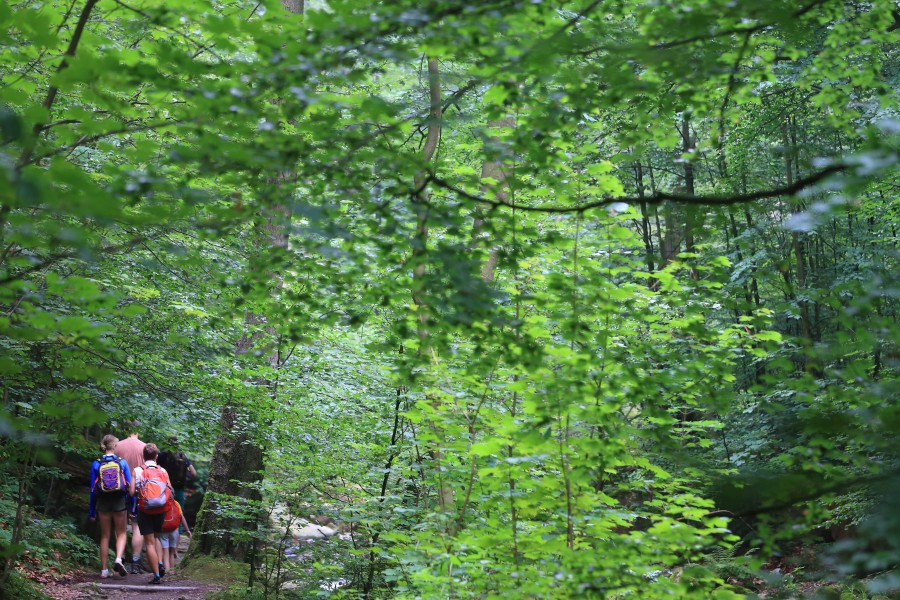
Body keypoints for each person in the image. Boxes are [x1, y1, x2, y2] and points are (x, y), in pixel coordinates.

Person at [88, 434, 134, 579]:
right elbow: (129, 486)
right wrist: (132, 507)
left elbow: (92, 490)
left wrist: (91, 512)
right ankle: (119, 559)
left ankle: (103, 571)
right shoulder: (122, 462)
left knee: (105, 535)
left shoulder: (96, 463)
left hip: (102, 502)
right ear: (114, 446)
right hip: (119, 501)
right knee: (121, 533)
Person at [133, 443, 171, 585]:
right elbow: (170, 490)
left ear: (143, 456)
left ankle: (156, 575)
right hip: (160, 509)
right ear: (156, 456)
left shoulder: (137, 470)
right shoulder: (163, 471)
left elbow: (131, 492)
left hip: (145, 509)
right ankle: (160, 563)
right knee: (157, 537)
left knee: (149, 543)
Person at [115, 421, 147, 574]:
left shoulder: (118, 446)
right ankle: (135, 562)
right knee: (137, 526)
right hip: (139, 491)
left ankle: (119, 558)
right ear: (138, 430)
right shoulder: (145, 446)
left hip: (119, 490)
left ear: (125, 429)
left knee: (120, 527)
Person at [157, 436, 197, 510]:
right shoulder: (182, 457)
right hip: (179, 489)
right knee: (179, 511)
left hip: (164, 488)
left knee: (164, 511)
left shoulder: (162, 455)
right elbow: (194, 473)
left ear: (167, 444)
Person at [158, 500, 191, 573]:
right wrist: (187, 530)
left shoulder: (160, 502)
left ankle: (166, 571)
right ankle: (172, 572)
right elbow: (181, 517)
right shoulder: (176, 503)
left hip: (163, 530)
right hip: (174, 530)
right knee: (171, 554)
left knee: (165, 554)